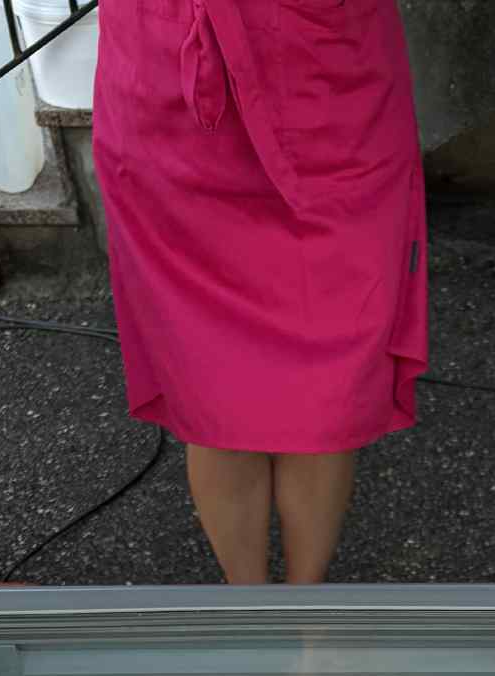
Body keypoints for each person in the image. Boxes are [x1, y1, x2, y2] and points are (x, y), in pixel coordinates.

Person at [93, 0, 427, 584]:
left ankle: (305, 609)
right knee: (213, 389)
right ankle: (247, 604)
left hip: (331, 88)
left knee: (330, 383)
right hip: (172, 102)